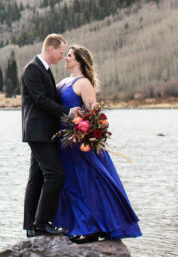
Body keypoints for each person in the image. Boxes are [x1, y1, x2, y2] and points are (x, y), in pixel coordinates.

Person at [53, 45, 141, 243]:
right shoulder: (63, 82)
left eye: (69, 56)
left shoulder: (83, 83)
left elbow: (93, 115)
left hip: (78, 143)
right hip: (62, 142)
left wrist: (80, 135)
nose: (65, 59)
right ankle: (74, 225)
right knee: (69, 183)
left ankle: (91, 228)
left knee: (86, 183)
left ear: (79, 60)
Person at [21, 34, 72, 237]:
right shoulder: (33, 68)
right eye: (61, 52)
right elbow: (40, 100)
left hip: (42, 132)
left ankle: (31, 226)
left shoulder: (44, 69)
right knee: (55, 175)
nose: (61, 56)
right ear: (51, 49)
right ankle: (41, 223)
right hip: (38, 131)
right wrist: (67, 112)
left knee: (37, 177)